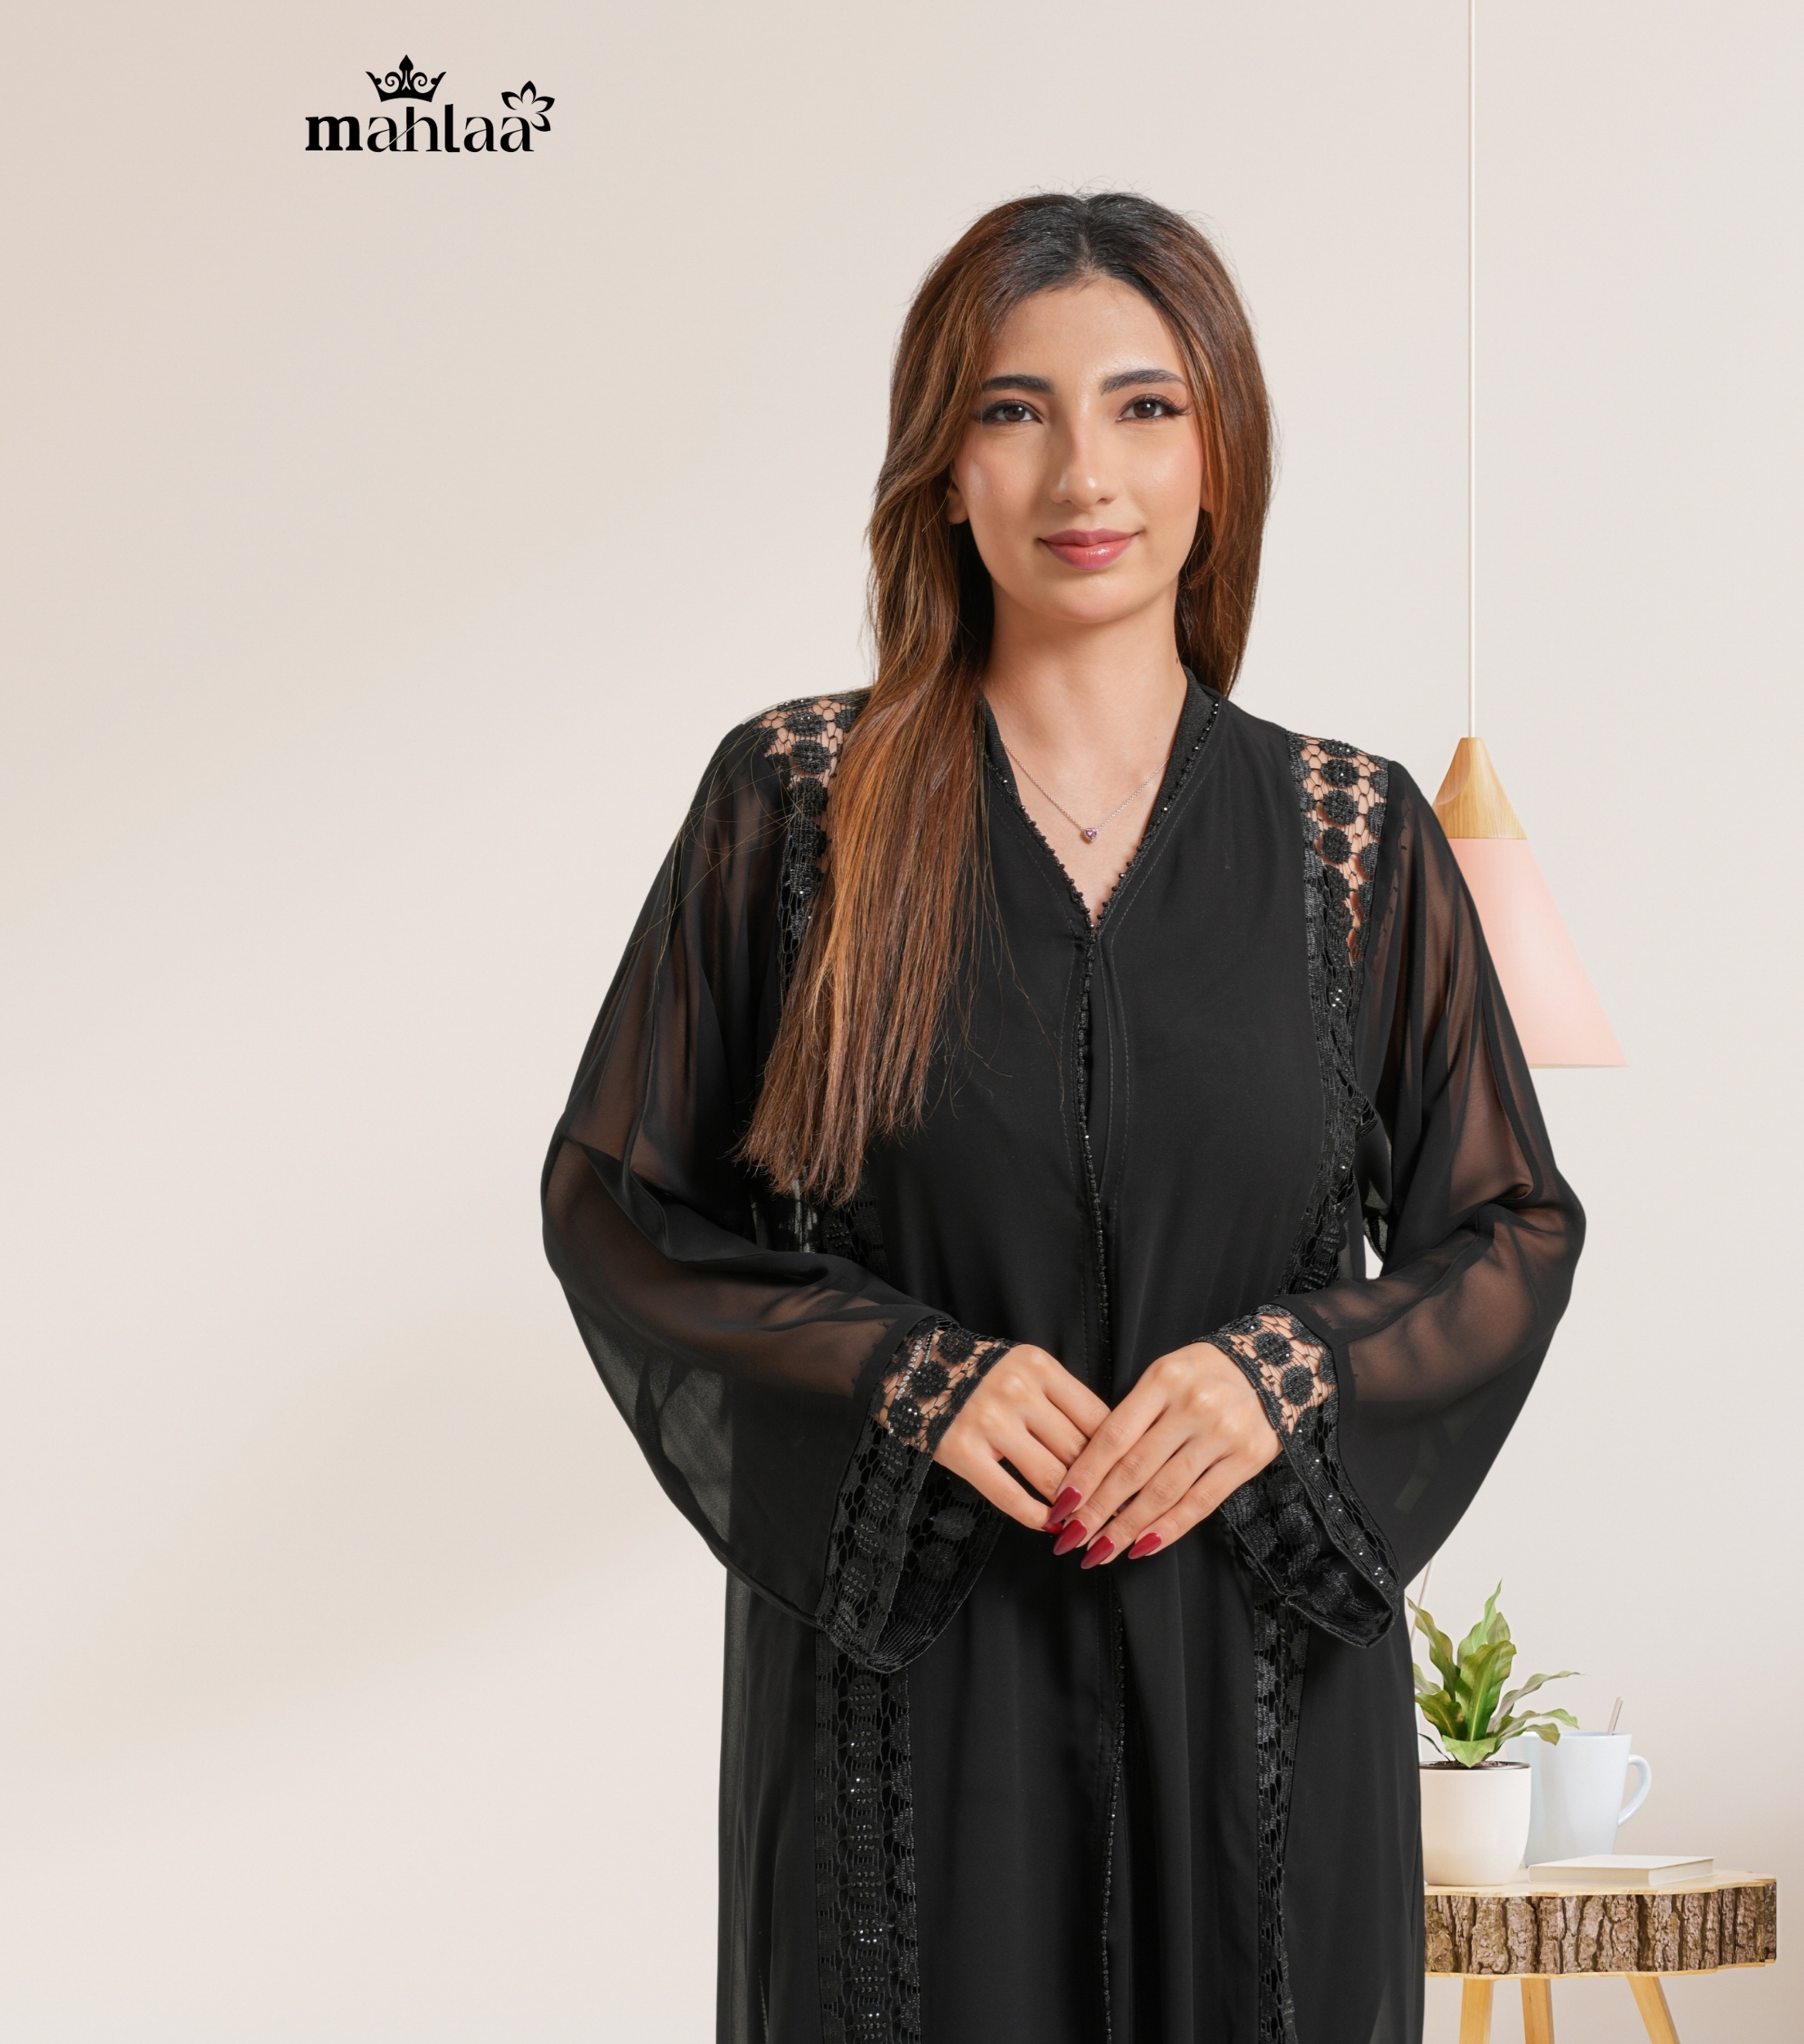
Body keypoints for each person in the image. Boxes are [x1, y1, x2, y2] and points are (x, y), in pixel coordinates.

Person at [542, 191, 1584, 2044]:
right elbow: (619, 1202)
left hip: (1260, 1702)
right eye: (1013, 411)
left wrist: (1284, 1375)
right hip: (906, 1708)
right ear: (943, 470)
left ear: (1217, 456)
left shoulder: (1351, 841)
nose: (1082, 472)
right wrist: (904, 1373)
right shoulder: (797, 807)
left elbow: (1506, 1229)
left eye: (1144, 407)